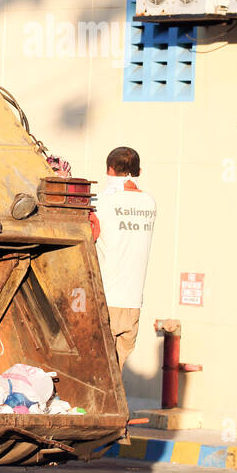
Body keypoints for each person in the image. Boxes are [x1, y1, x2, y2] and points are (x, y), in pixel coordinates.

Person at [89, 146, 156, 371]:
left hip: (106, 300)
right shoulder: (149, 204)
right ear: (139, 171)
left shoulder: (101, 203)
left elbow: (90, 236)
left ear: (110, 170)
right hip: (133, 304)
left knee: (98, 375)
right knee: (115, 375)